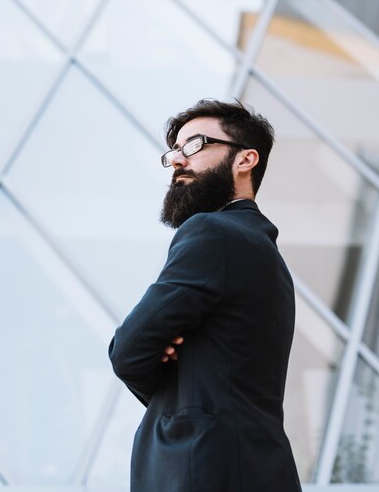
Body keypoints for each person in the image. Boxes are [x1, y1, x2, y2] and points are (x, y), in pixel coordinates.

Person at [108, 99, 300, 492]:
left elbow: (129, 350)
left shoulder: (213, 232)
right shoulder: (266, 254)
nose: (178, 160)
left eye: (195, 145)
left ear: (245, 160)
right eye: (175, 150)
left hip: (202, 470)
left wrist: (175, 386)